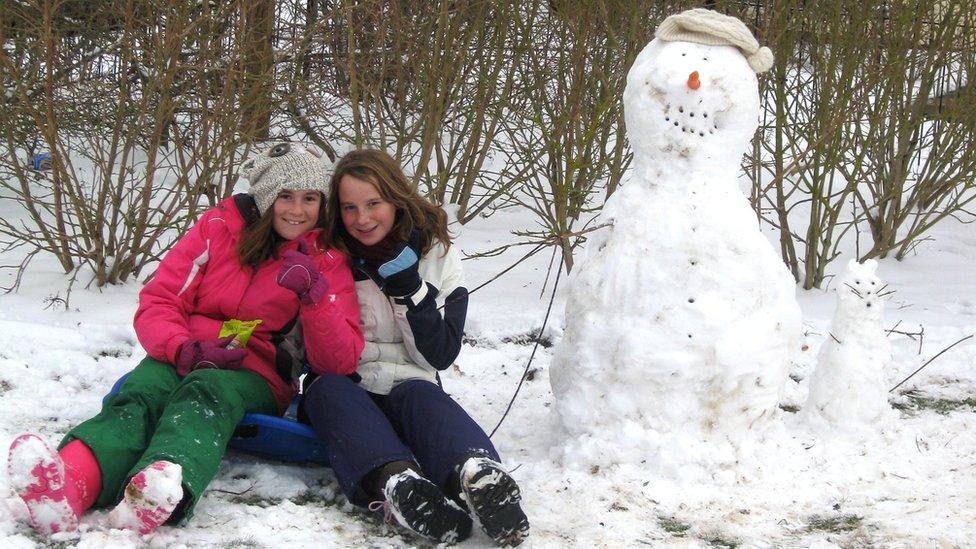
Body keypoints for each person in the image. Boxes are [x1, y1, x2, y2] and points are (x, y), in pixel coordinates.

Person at [6, 143, 363, 536]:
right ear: (265, 197)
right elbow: (161, 299)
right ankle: (69, 483)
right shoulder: (218, 230)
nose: (298, 210)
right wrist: (181, 347)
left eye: (310, 198)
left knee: (206, 393)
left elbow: (339, 360)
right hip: (187, 351)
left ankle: (157, 495)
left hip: (256, 371)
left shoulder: (326, 258)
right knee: (141, 392)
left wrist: (316, 297)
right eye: (286, 196)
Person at [300, 149, 530, 546]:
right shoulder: (329, 256)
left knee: (424, 400)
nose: (363, 218)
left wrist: (410, 290)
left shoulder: (436, 256)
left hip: (412, 375)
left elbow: (439, 356)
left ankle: (477, 476)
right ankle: (400, 486)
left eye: (374, 204)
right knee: (328, 392)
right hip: (346, 378)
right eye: (350, 207)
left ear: (396, 199)